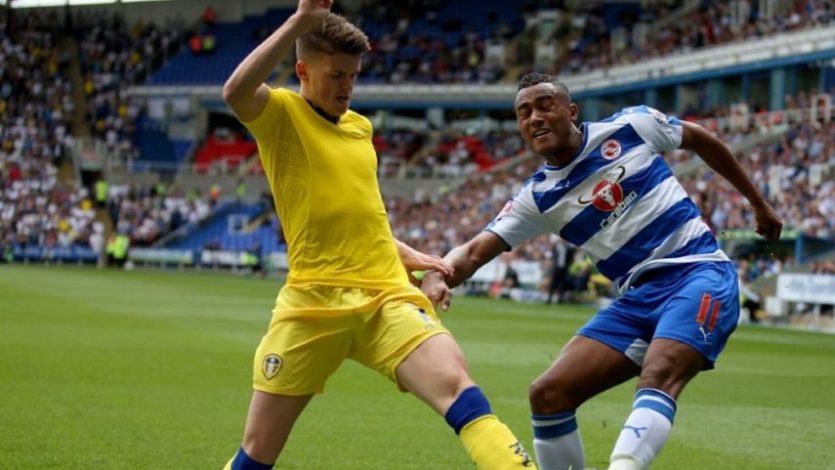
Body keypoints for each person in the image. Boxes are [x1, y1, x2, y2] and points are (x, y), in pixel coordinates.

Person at [220, 2, 536, 469]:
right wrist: (301, 21)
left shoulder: (360, 128)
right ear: (303, 71)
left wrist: (410, 254)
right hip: (313, 303)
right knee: (258, 451)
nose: (347, 86)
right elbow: (235, 91)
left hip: (386, 296)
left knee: (459, 390)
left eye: (353, 75)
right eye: (336, 75)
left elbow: (364, 218)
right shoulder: (282, 114)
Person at [421, 72, 783, 470]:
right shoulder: (538, 198)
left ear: (571, 111)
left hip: (698, 271)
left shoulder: (631, 126)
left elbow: (699, 138)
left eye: (545, 105)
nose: (534, 117)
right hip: (637, 298)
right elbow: (473, 252)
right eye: (524, 113)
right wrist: (437, 272)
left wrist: (758, 203)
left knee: (659, 371)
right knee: (548, 394)